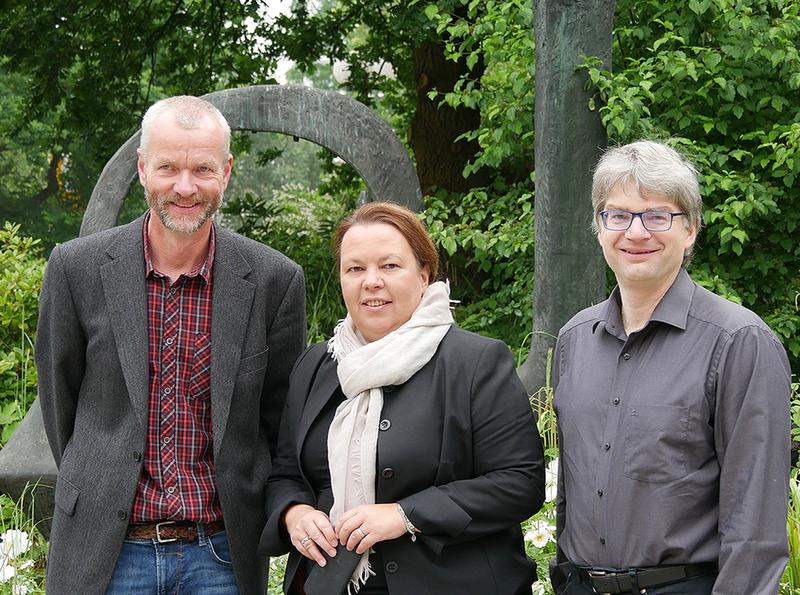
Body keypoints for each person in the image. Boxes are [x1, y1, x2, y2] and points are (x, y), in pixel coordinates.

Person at [35, 95, 306, 595]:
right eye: (168, 168)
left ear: (225, 171)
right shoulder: (76, 269)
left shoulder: (274, 280)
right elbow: (60, 405)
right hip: (106, 552)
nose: (185, 187)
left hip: (221, 555)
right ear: (142, 169)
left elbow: (279, 421)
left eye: (202, 168)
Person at [260, 202, 545, 594]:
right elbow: (286, 474)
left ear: (424, 275)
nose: (371, 281)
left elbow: (520, 482)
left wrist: (404, 515)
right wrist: (294, 514)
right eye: (355, 268)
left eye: (390, 266)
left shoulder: (476, 363)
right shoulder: (316, 366)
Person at [550, 140, 791, 594]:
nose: (636, 233)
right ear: (599, 227)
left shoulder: (739, 342)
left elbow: (755, 522)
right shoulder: (574, 340)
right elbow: (570, 487)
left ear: (691, 229)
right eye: (618, 215)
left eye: (657, 216)